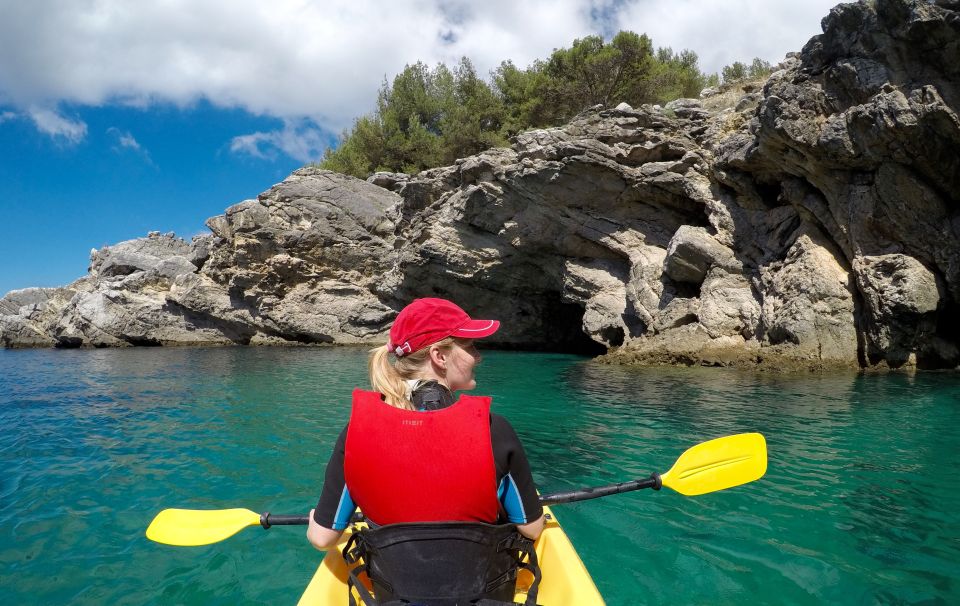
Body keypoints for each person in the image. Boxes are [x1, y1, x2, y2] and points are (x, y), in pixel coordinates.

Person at [306, 298, 545, 604]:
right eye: (470, 347)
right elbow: (532, 528)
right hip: (483, 595)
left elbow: (322, 538)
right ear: (439, 355)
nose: (478, 356)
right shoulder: (494, 429)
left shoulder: (356, 432)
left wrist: (317, 519)